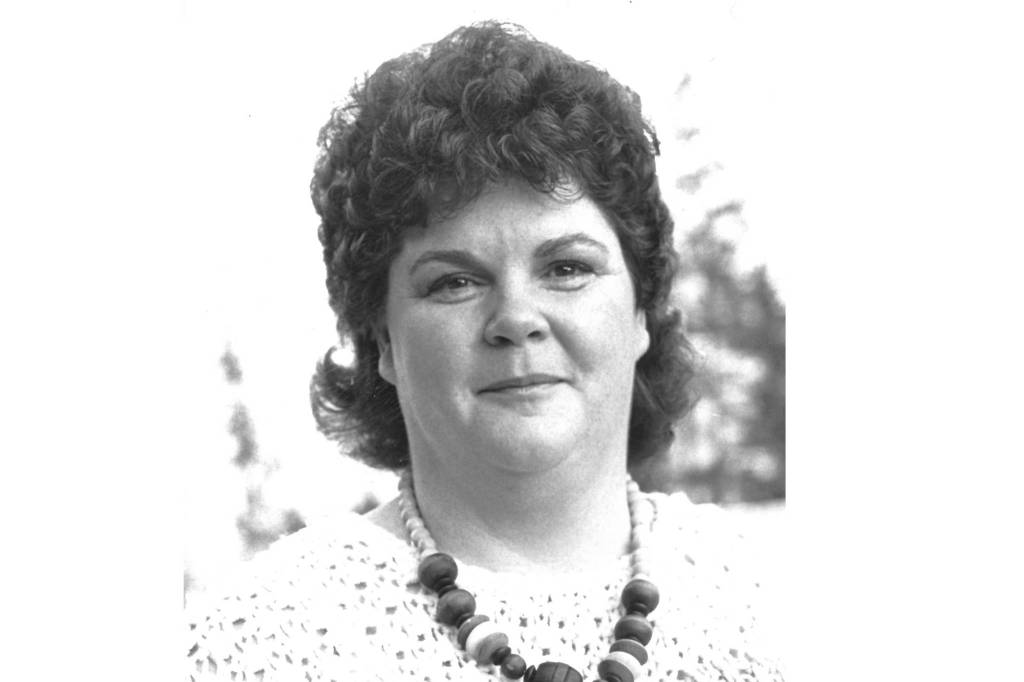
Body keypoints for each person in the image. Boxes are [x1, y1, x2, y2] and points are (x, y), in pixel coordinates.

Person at [185, 21, 784, 682]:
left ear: (641, 308)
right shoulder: (247, 649)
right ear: (382, 339)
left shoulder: (785, 607)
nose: (516, 320)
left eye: (567, 268)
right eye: (455, 282)